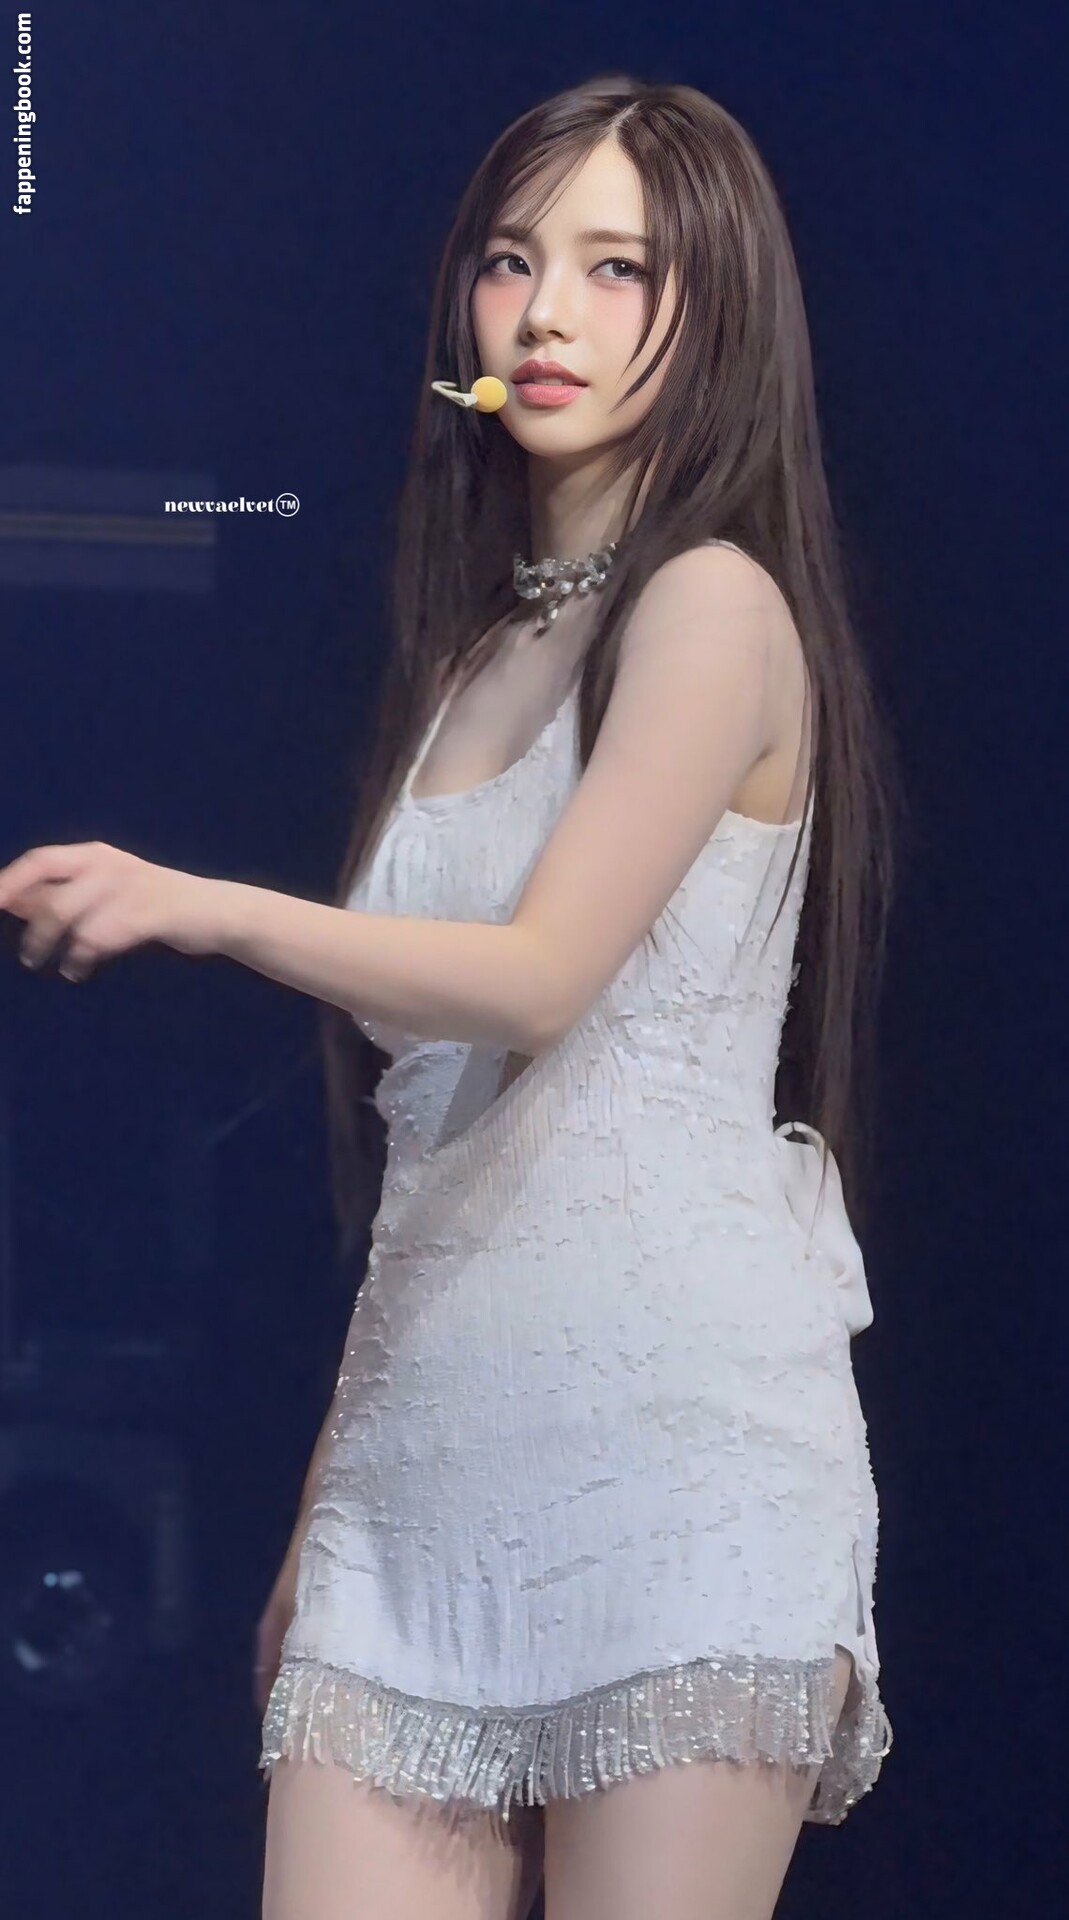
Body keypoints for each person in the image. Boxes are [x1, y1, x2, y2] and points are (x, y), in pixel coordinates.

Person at [0, 74, 899, 1920]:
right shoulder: (480, 650)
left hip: (674, 1450)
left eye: (616, 267)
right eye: (508, 262)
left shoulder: (714, 607)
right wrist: (329, 1509)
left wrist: (198, 903)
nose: (544, 313)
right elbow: (442, 1148)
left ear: (719, 308)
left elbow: (537, 982)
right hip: (423, 1464)